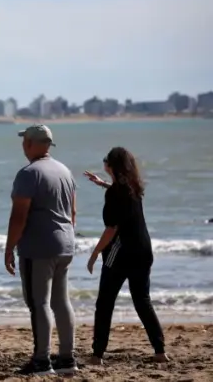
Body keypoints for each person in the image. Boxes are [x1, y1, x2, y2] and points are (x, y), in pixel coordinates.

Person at [4, 124, 78, 376]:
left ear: (31, 144)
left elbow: (19, 217)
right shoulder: (64, 171)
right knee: (61, 301)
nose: (23, 145)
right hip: (66, 243)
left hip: (39, 247)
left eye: (25, 141)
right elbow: (73, 213)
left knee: (39, 303)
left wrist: (9, 247)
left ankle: (41, 361)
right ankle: (67, 359)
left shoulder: (28, 173)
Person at [84, 148, 169, 365]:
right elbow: (119, 196)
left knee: (104, 303)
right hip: (144, 250)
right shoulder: (133, 185)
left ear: (110, 165)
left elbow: (111, 229)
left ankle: (97, 355)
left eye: (106, 160)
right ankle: (160, 351)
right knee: (142, 300)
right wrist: (102, 183)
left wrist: (94, 253)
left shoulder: (115, 193)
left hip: (122, 253)